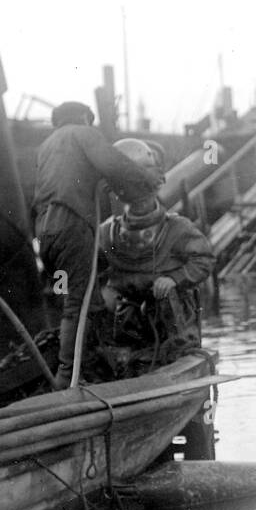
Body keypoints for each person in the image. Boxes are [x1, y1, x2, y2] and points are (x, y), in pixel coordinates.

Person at [33, 102, 163, 387]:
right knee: (77, 304)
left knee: (84, 297)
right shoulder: (83, 133)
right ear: (83, 118)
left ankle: (92, 366)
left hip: (45, 231)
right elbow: (115, 164)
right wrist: (148, 180)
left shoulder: (47, 146)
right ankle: (68, 377)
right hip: (72, 224)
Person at [99, 139, 216, 367]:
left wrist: (174, 278)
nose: (140, 203)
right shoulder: (108, 232)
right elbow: (93, 268)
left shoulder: (177, 228)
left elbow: (203, 260)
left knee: (166, 297)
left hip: (168, 316)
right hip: (127, 313)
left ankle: (175, 353)